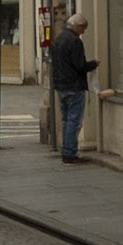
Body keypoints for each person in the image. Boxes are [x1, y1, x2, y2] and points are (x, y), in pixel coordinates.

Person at [50, 11, 97, 163]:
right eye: (83, 28)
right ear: (77, 27)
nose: (83, 32)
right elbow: (80, 65)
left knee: (66, 120)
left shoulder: (58, 39)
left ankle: (66, 150)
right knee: (74, 121)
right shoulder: (75, 41)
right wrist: (93, 64)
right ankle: (70, 153)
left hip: (61, 85)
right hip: (74, 85)